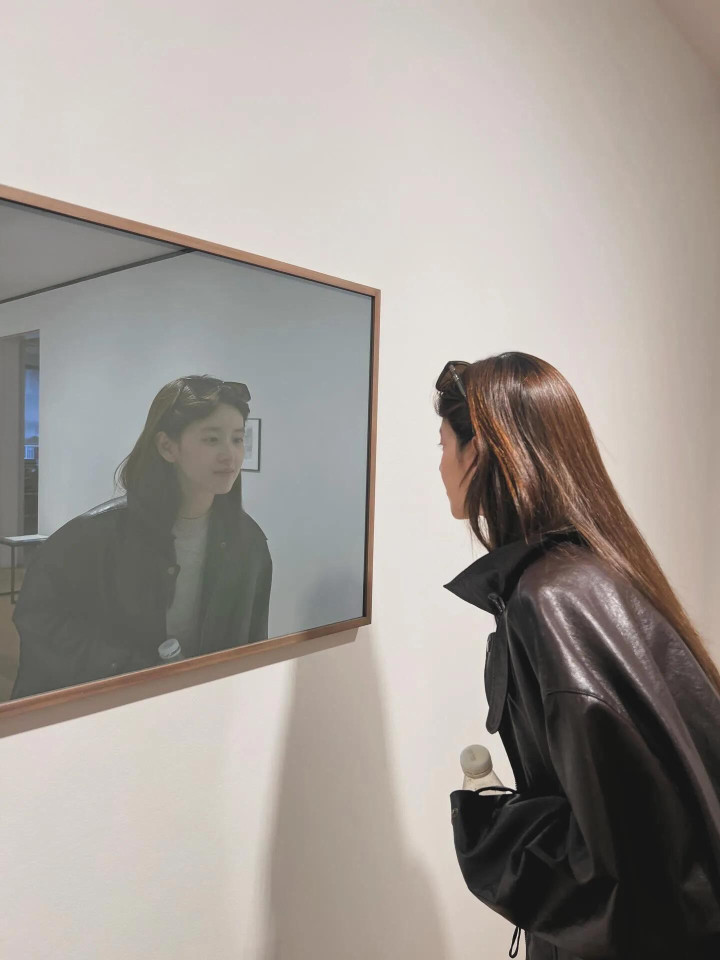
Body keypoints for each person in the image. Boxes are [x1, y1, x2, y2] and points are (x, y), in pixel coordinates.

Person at [436, 353, 720, 959]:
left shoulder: (550, 600)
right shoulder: (595, 570)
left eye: (443, 445)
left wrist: (492, 833)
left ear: (477, 452)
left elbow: (614, 861)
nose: (439, 465)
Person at [12, 375, 272, 699]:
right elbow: (39, 619)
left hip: (201, 707)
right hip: (114, 709)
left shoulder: (249, 544)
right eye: (211, 439)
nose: (230, 455)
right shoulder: (94, 536)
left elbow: (252, 643)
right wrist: (130, 669)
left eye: (237, 439)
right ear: (167, 446)